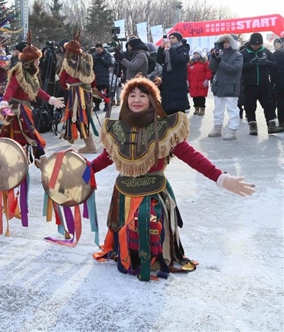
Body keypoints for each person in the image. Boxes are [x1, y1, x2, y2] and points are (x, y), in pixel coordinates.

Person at [90, 76, 255, 282]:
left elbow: (192, 156)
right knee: (125, 232)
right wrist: (77, 171)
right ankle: (126, 255)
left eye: (143, 95)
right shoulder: (117, 130)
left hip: (153, 193)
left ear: (153, 99)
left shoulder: (166, 129)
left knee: (149, 228)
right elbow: (105, 158)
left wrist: (221, 178)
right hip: (124, 194)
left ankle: (154, 258)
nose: (136, 99)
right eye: (131, 95)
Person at [0, 40, 65, 163]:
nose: (39, 63)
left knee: (27, 136)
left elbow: (37, 90)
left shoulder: (30, 75)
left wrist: (50, 99)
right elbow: (10, 88)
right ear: (31, 62)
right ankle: (39, 160)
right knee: (30, 135)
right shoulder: (19, 73)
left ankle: (31, 160)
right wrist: (4, 102)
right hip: (17, 110)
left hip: (25, 109)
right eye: (37, 60)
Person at [58, 31, 98, 153]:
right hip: (86, 93)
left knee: (78, 116)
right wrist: (91, 88)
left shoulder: (67, 63)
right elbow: (93, 79)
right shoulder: (86, 63)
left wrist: (65, 87)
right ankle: (72, 136)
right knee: (82, 116)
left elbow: (62, 79)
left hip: (76, 93)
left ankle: (90, 146)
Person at [240, 33, 284, 135]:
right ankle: (252, 125)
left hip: (264, 83)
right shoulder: (243, 53)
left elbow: (274, 65)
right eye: (254, 45)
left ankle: (271, 125)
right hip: (249, 84)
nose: (256, 46)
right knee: (250, 105)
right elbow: (239, 67)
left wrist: (267, 62)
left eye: (259, 44)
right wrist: (250, 64)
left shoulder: (266, 51)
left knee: (268, 104)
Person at [208, 35, 244, 140]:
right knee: (217, 108)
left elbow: (234, 69)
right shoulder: (220, 54)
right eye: (224, 42)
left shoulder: (238, 55)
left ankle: (232, 130)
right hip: (219, 84)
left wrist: (220, 61)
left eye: (228, 42)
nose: (226, 44)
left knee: (232, 109)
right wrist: (214, 58)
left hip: (231, 85)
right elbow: (212, 68)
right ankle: (217, 127)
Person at [156, 32, 190, 114]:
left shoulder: (183, 49)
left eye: (173, 38)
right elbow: (159, 60)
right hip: (168, 82)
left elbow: (178, 60)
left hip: (178, 82)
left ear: (179, 39)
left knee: (177, 110)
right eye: (170, 38)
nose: (171, 40)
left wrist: (170, 49)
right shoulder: (167, 50)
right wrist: (161, 48)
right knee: (167, 108)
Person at [187, 48, 212, 116]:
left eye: (197, 53)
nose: (196, 55)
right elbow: (188, 73)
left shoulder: (205, 63)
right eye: (194, 53)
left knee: (201, 97)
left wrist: (207, 79)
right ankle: (196, 109)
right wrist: (187, 80)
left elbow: (208, 71)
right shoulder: (190, 64)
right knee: (195, 97)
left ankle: (202, 109)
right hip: (193, 83)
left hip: (202, 83)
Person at [92, 43, 114, 112]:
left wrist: (101, 59)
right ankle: (97, 105)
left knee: (106, 92)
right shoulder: (94, 55)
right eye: (96, 50)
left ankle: (107, 105)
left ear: (102, 48)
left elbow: (110, 64)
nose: (98, 52)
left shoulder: (107, 55)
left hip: (104, 76)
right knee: (96, 92)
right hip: (96, 76)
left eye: (99, 50)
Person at [272, 38, 284, 126]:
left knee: (280, 102)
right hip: (279, 82)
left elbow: (272, 70)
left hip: (279, 83)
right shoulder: (275, 54)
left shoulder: (275, 54)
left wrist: (274, 81)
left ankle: (282, 122)